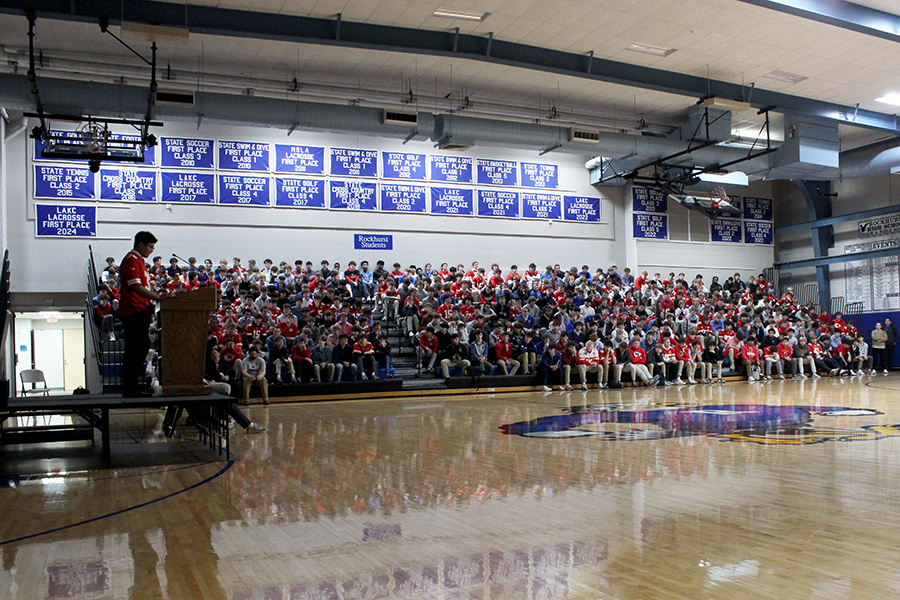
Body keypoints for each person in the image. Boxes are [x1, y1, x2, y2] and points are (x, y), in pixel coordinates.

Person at [119, 231, 169, 397]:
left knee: (140, 348)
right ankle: (130, 388)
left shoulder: (139, 260)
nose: (152, 250)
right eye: (150, 247)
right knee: (135, 349)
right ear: (141, 244)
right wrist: (156, 297)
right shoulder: (131, 260)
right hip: (133, 310)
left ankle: (132, 387)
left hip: (141, 309)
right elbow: (135, 286)